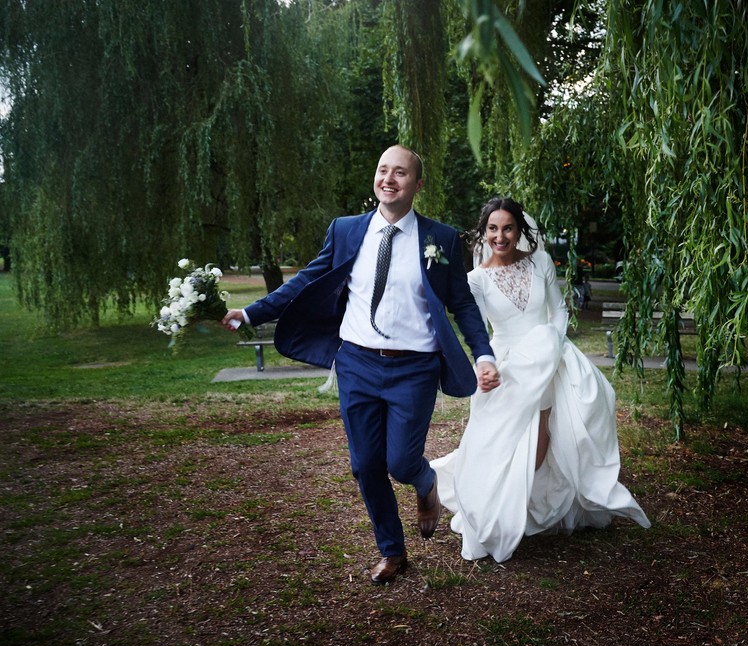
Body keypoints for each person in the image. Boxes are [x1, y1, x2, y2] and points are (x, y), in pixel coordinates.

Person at [222, 145, 500, 584]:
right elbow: (308, 279)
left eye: (401, 173)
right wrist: (252, 312)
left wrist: (483, 353)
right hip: (356, 363)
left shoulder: (440, 239)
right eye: (383, 170)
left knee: (401, 462)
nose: (389, 179)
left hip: (415, 368)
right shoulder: (347, 230)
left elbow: (462, 303)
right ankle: (392, 551)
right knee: (365, 464)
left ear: (417, 185)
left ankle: (426, 482)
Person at [430, 197, 650, 563]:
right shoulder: (477, 279)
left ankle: (525, 506)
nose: (500, 236)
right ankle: (484, 504)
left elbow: (558, 311)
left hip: (546, 358)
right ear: (484, 233)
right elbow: (478, 331)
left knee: (540, 444)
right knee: (493, 441)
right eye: (493, 228)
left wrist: (551, 346)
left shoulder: (541, 263)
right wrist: (483, 366)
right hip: (505, 367)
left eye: (508, 228)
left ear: (520, 230)